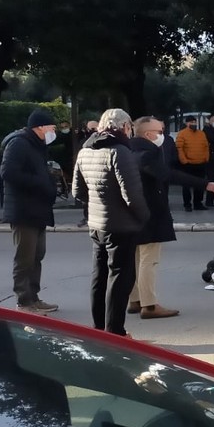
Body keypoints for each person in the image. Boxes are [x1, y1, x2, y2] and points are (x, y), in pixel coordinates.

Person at [129, 116, 214, 319]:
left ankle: (136, 299)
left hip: (133, 211)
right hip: (150, 212)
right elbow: (168, 174)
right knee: (149, 260)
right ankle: (149, 305)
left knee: (136, 258)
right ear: (148, 134)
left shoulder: (128, 150)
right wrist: (205, 184)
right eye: (159, 132)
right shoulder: (146, 154)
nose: (162, 135)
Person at [73, 109, 151, 337]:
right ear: (125, 126)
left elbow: (78, 192)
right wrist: (144, 217)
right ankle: (115, 332)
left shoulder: (85, 150)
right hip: (121, 225)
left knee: (99, 276)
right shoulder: (120, 151)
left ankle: (99, 330)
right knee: (120, 278)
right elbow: (132, 194)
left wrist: (99, 202)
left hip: (97, 223)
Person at [0, 109, 59, 313]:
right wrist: (39, 182)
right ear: (40, 127)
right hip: (23, 210)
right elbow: (8, 172)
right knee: (25, 258)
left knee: (37, 255)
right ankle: (24, 301)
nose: (53, 131)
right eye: (52, 127)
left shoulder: (37, 144)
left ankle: (34, 296)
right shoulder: (19, 143)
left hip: (37, 209)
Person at [176, 115, 210, 211]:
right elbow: (179, 148)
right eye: (191, 122)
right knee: (186, 185)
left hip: (201, 163)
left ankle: (198, 204)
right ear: (186, 123)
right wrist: (184, 161)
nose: (193, 124)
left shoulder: (201, 134)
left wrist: (206, 158)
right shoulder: (182, 134)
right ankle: (187, 205)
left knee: (200, 185)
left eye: (195, 122)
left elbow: (206, 146)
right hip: (188, 164)